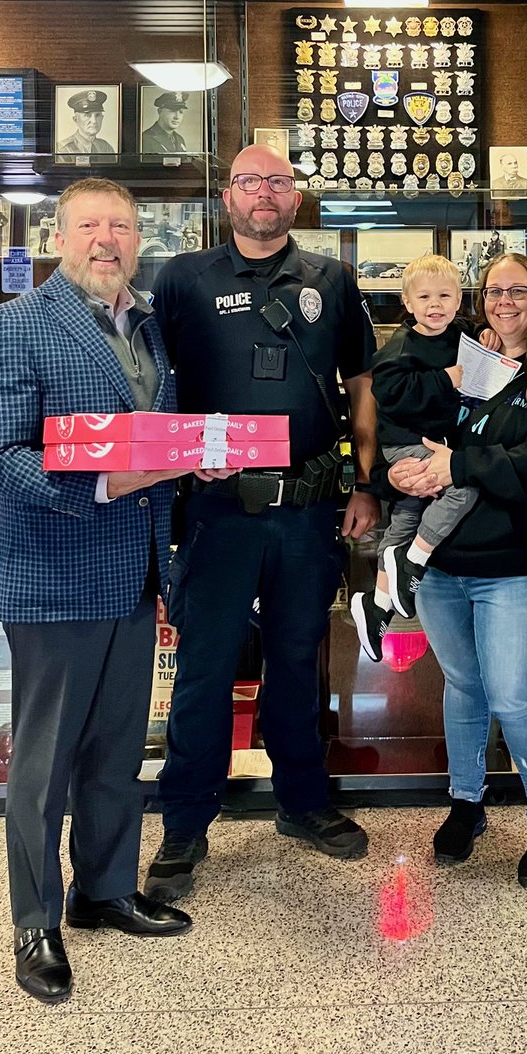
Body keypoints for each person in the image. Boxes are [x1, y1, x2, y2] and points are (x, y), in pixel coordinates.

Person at [0, 178, 215, 1004]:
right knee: (43, 766)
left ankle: (104, 890)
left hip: (136, 574)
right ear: (59, 236)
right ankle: (34, 922)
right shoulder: (13, 327)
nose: (108, 239)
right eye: (91, 226)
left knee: (116, 752)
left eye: (123, 226)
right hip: (55, 576)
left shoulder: (147, 328)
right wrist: (103, 487)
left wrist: (191, 459)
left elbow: (157, 440)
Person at [145, 142, 380, 900]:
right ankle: (184, 822)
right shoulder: (183, 278)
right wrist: (174, 460)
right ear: (228, 196)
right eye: (250, 181)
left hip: (308, 509)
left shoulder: (331, 280)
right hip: (216, 510)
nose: (264, 193)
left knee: (297, 659)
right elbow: (153, 385)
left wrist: (366, 482)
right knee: (207, 669)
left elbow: (361, 383)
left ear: (295, 195)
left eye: (277, 181)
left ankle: (303, 803)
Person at [387, 253, 527, 888]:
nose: (505, 300)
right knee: (464, 687)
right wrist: (401, 471)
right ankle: (467, 802)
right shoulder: (467, 357)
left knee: (514, 693)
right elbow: (416, 424)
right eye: (495, 289)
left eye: (518, 290)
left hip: (512, 565)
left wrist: (457, 467)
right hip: (441, 562)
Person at [351, 255, 482, 661]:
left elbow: (483, 335)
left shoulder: (462, 333)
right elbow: (391, 393)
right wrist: (447, 380)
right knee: (464, 485)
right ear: (407, 303)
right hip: (408, 443)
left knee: (407, 515)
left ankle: (377, 605)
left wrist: (488, 334)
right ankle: (414, 560)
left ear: (460, 300)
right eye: (424, 297)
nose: (435, 304)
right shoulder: (400, 347)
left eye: (445, 295)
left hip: (434, 440)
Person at [56, 89, 117, 156]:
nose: (94, 121)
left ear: (102, 118)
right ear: (76, 120)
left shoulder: (106, 149)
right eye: (87, 115)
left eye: (97, 115)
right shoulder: (62, 150)